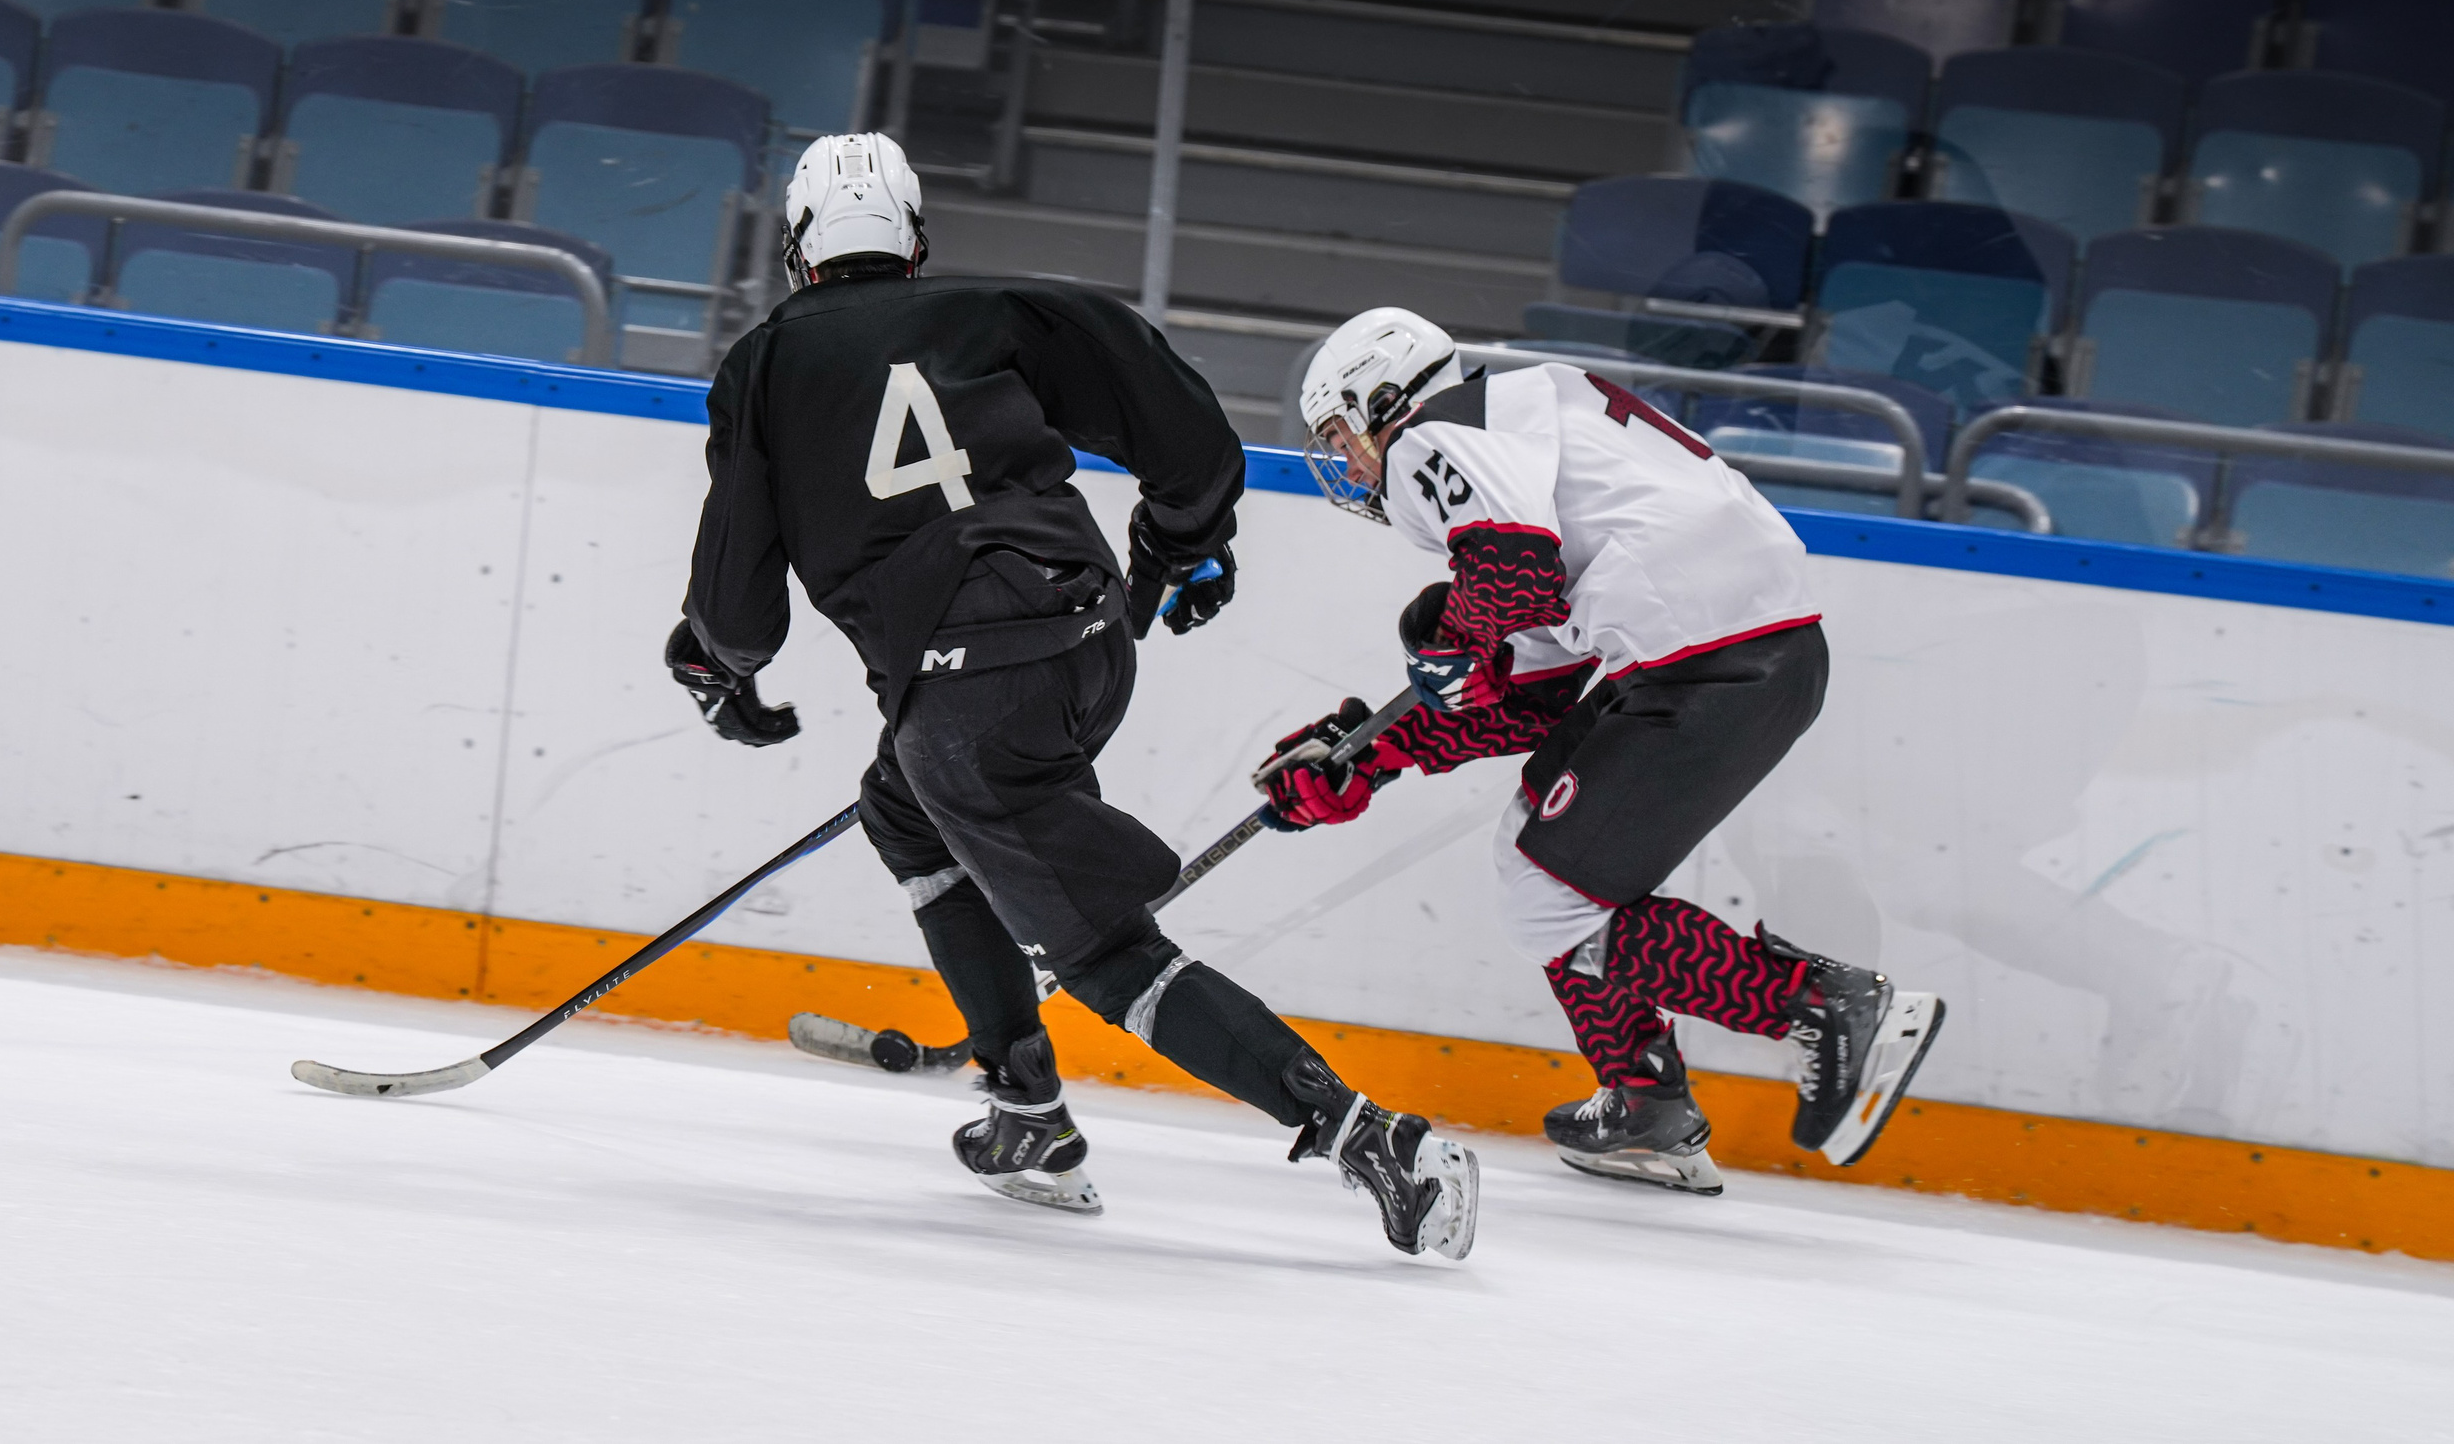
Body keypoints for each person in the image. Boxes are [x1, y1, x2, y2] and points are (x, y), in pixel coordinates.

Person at [667, 134, 1476, 1258]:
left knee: (1104, 955)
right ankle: (1024, 1110)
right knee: (906, 812)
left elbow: (736, 598)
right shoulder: (999, 308)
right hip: (1092, 639)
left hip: (967, 693)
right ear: (915, 245)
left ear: (799, 256)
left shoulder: (763, 366)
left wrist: (719, 664)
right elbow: (1182, 428)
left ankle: (1366, 1139)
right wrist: (1186, 539)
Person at [1259, 307, 1943, 1194]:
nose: (1347, 463)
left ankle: (1822, 1006)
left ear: (1387, 401)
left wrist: (1453, 642)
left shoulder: (1439, 435)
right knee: (1539, 857)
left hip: (1712, 657)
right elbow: (1522, 701)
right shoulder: (1533, 440)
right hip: (1735, 652)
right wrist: (1366, 754)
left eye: (1344, 435)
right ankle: (1644, 1104)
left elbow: (1510, 572)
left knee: (1547, 889)